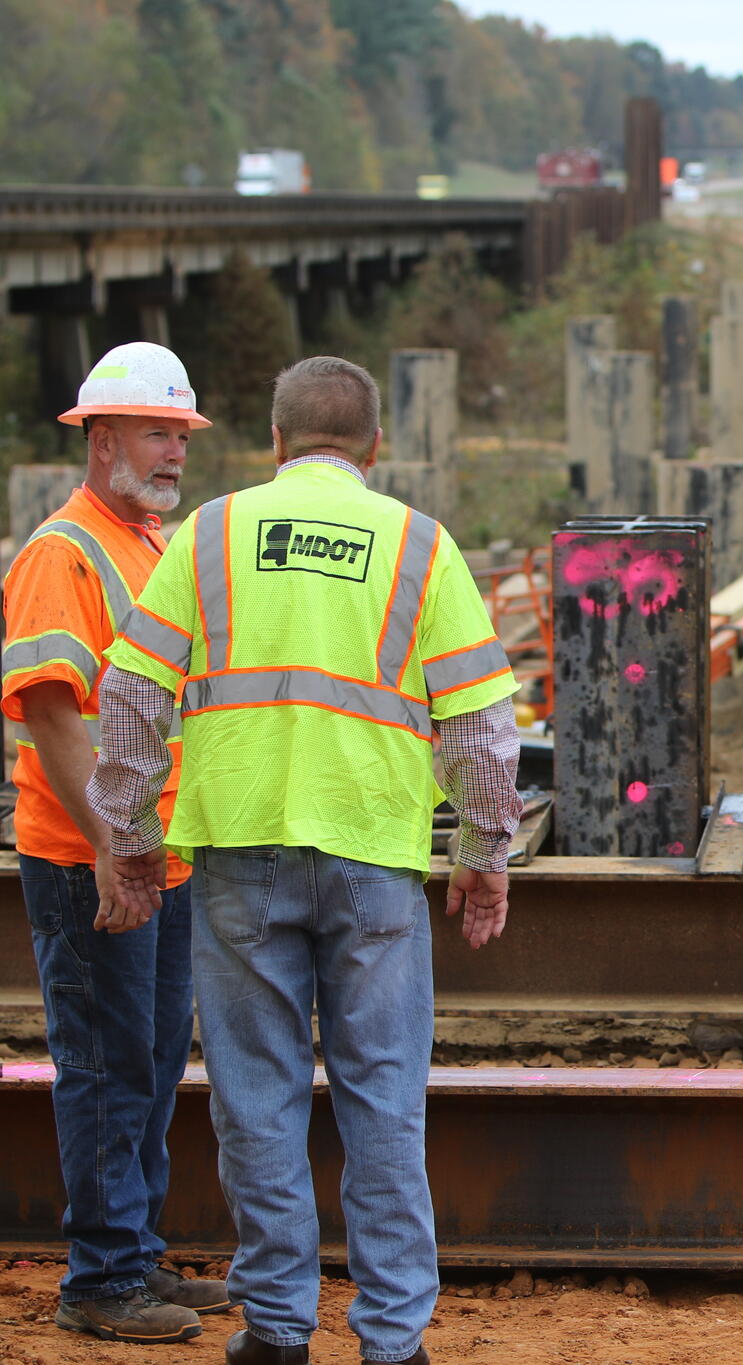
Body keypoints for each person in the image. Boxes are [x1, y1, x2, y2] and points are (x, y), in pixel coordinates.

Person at [88, 355, 523, 1365]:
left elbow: (129, 701)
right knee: (382, 1098)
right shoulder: (421, 544)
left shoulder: (209, 534)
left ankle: (278, 1331)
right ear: (374, 449)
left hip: (241, 851)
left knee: (256, 1098)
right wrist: (483, 850)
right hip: (373, 853)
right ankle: (391, 1340)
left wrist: (133, 838)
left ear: (275, 444)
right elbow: (480, 727)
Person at [5, 341, 230, 1345]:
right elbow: (56, 718)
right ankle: (100, 1280)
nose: (175, 453)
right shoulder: (65, 553)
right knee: (105, 1064)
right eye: (155, 432)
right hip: (91, 856)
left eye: (180, 435)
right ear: (100, 442)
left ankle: (131, 1258)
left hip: (155, 853)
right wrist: (112, 844)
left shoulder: (141, 543)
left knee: (142, 1061)